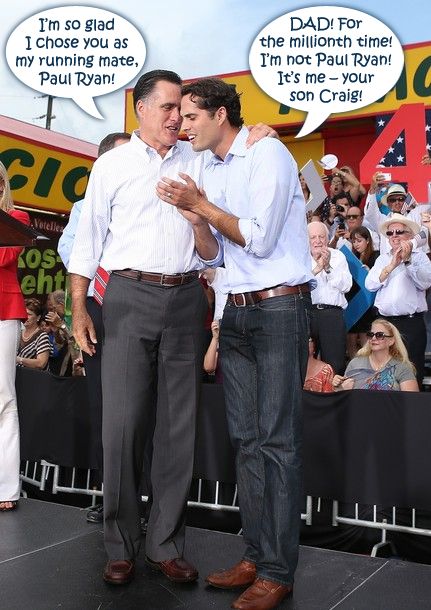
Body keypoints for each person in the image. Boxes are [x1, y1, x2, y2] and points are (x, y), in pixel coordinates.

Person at [68, 70, 272, 587]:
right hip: (128, 297)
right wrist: (78, 308)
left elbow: (219, 229)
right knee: (122, 426)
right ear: (139, 108)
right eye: (166, 107)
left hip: (186, 298)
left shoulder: (200, 160)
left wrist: (259, 134)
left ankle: (165, 543)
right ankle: (120, 543)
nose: (176, 117)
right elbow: (87, 241)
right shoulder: (112, 165)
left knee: (178, 428)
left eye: (181, 108)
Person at [156, 77, 314, 610]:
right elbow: (214, 255)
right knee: (246, 441)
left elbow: (261, 237)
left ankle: (277, 570)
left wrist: (203, 203)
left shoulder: (267, 153)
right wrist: (196, 217)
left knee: (277, 443)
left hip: (279, 308)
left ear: (222, 115)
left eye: (193, 116)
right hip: (237, 314)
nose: (183, 124)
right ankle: (255, 553)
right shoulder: (210, 166)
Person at [58, 132, 131, 524]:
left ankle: (147, 498)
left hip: (140, 304)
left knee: (144, 407)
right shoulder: (83, 206)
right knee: (104, 405)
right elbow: (70, 253)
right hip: (100, 307)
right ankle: (111, 496)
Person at [365, 214, 431, 385]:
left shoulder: (420, 257)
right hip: (385, 324)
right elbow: (370, 284)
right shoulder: (382, 258)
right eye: (390, 233)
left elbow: (425, 282)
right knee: (384, 372)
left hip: (411, 324)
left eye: (399, 232)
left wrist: (407, 261)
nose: (394, 235)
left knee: (412, 371)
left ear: (409, 235)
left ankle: (413, 410)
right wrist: (392, 265)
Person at [0, 160, 30, 511]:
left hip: (4, 313)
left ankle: (6, 486)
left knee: (4, 398)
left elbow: (5, 256)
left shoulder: (16, 219)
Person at [308, 221, 352, 374]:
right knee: (303, 363)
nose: (318, 240)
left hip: (332, 315)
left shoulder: (338, 256)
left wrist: (327, 268)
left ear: (327, 239)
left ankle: (335, 397)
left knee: (335, 364)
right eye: (313, 237)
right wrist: (316, 269)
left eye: (321, 236)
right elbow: (298, 285)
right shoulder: (300, 258)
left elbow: (347, 286)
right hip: (307, 314)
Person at [333, 319, 418, 391]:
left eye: (380, 335)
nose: (374, 338)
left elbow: (411, 402)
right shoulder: (355, 363)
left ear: (391, 341)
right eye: (371, 334)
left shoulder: (402, 367)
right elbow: (344, 398)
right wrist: (339, 388)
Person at [346, 226, 380, 358]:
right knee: (351, 338)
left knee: (366, 338)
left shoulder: (375, 257)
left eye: (359, 241)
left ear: (367, 240)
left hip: (367, 304)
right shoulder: (351, 258)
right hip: (353, 303)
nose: (356, 244)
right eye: (353, 241)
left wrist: (369, 272)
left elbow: (378, 280)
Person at [16, 298, 52, 370]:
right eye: (24, 313)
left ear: (38, 317)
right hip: (16, 377)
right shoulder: (18, 332)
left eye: (29, 314)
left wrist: (19, 360)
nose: (25, 316)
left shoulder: (42, 336)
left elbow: (41, 363)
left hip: (33, 379)